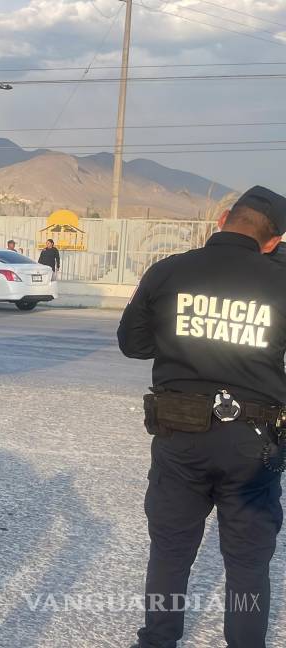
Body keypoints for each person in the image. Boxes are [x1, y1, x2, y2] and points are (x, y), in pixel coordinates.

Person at [118, 186, 286, 648]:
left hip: (180, 435)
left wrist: (184, 343)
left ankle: (158, 641)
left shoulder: (169, 270)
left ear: (222, 217)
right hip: (254, 444)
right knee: (248, 563)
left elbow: (133, 344)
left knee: (171, 553)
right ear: (273, 241)